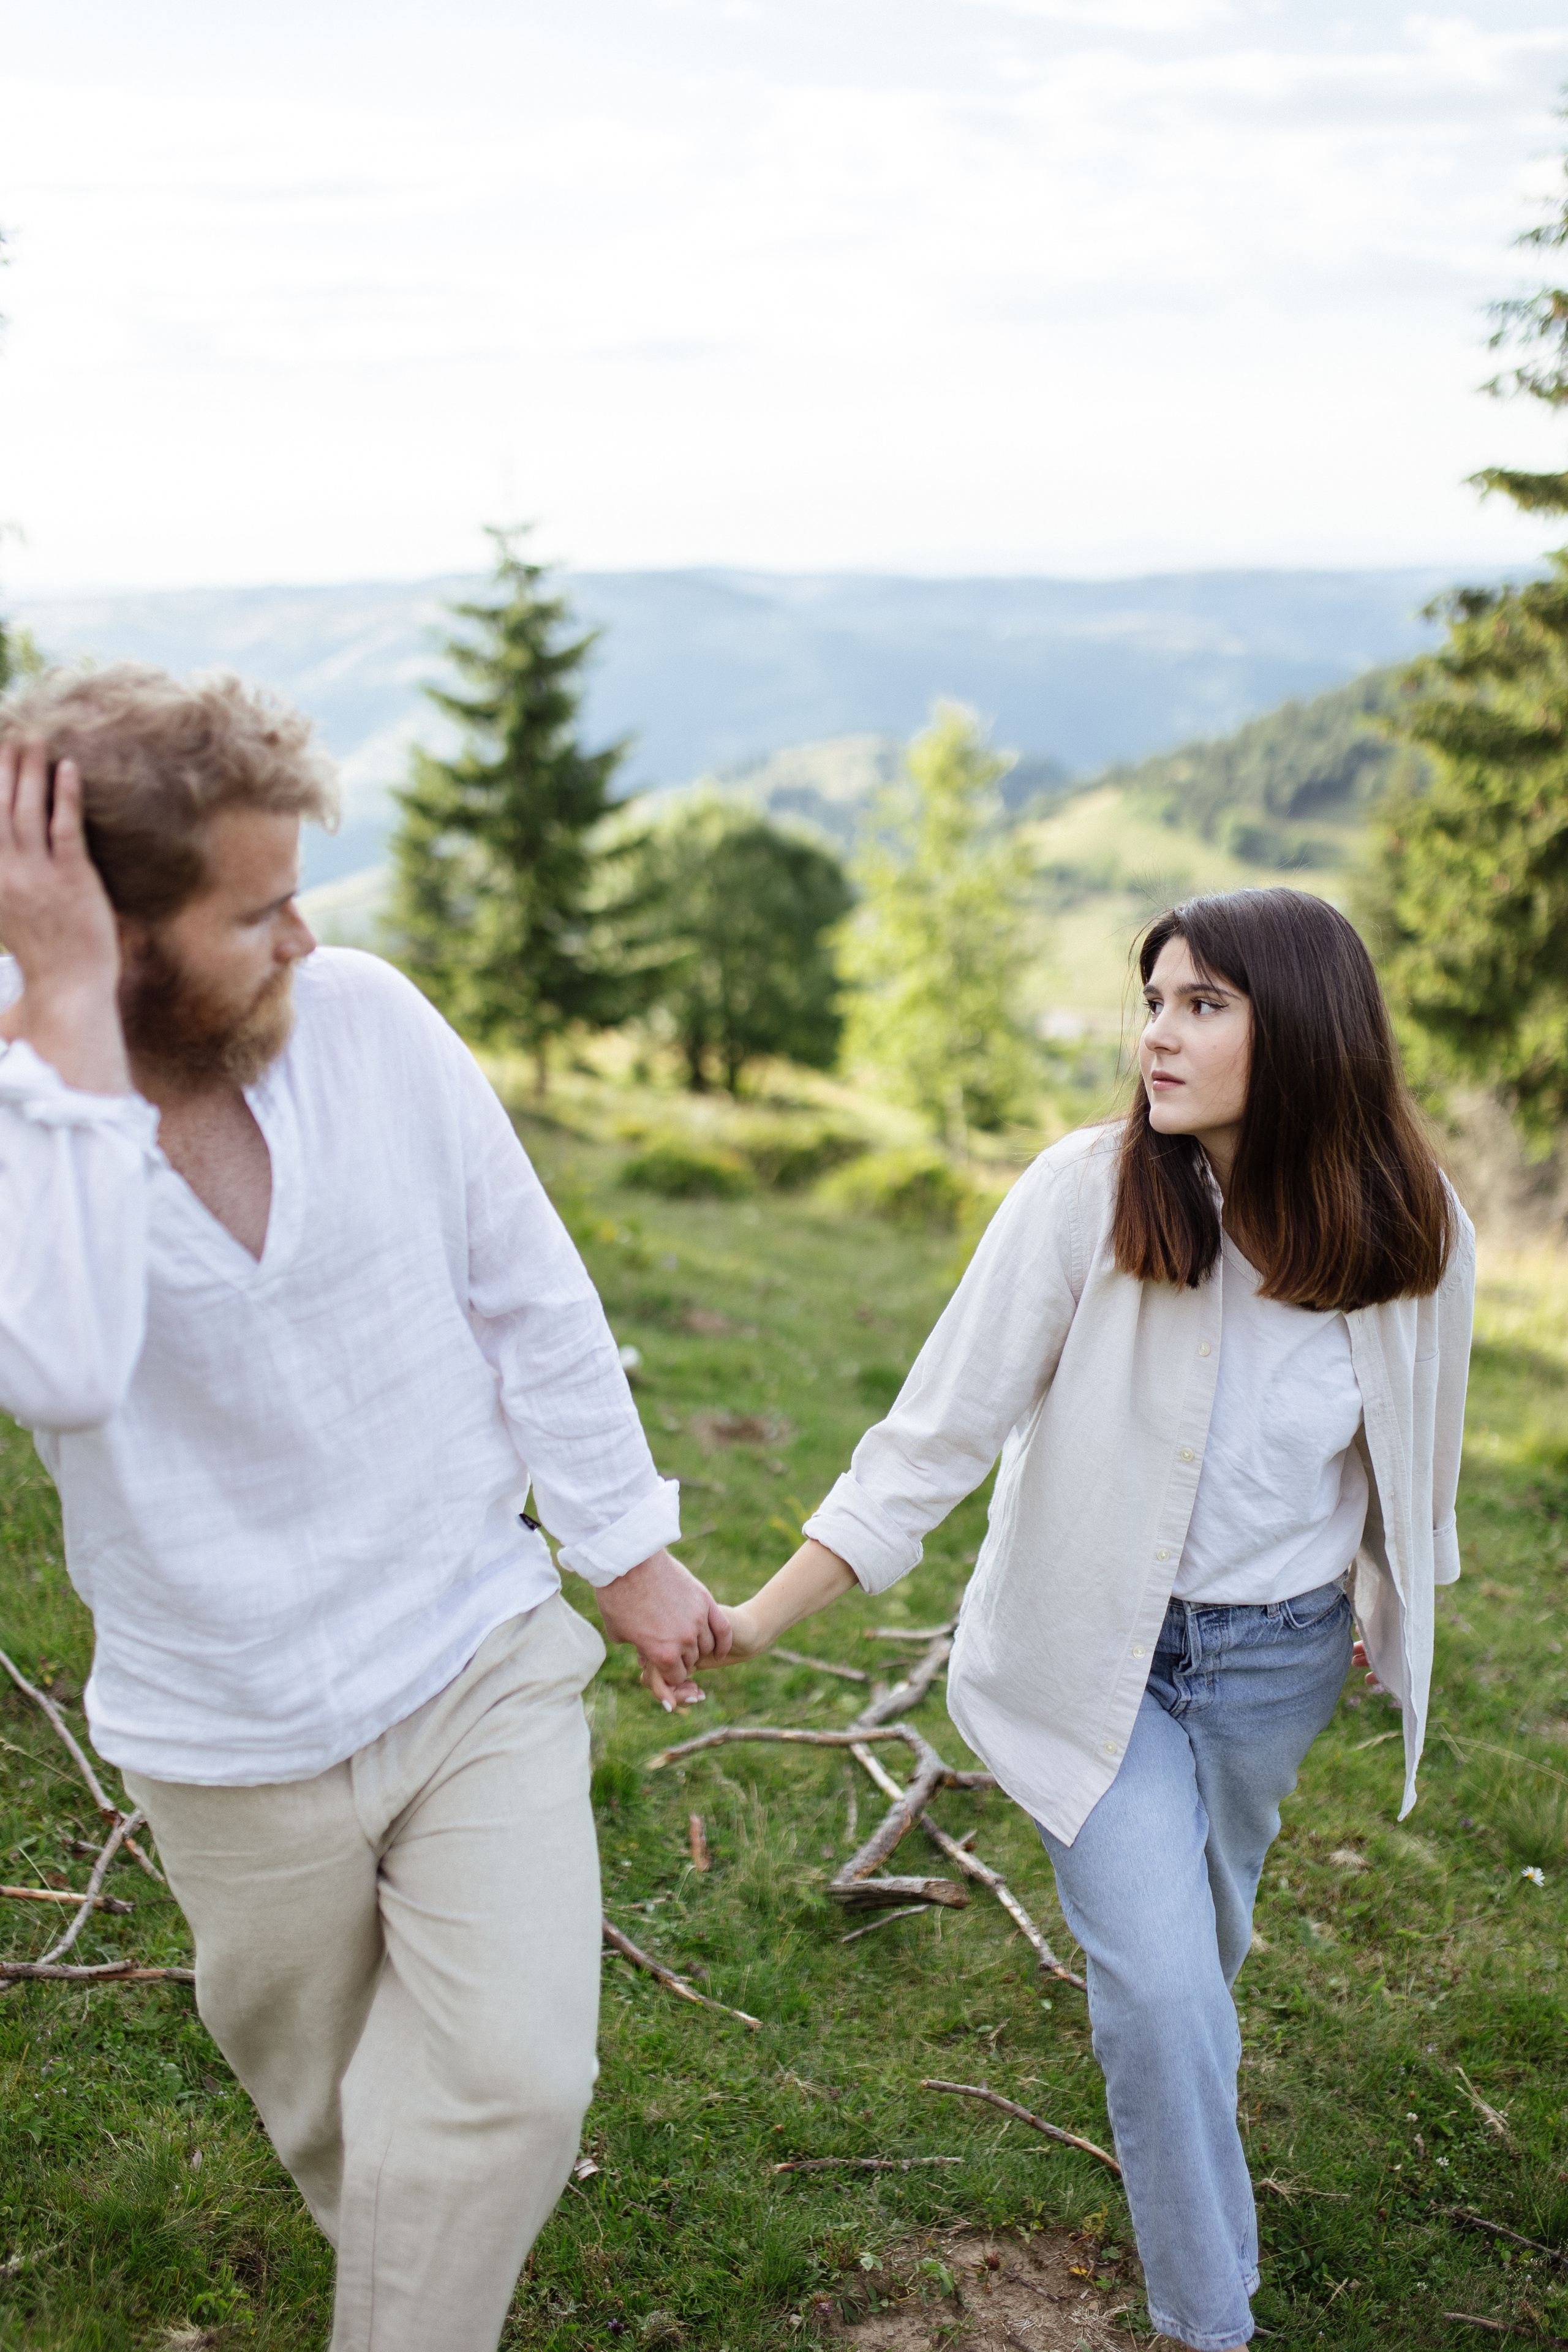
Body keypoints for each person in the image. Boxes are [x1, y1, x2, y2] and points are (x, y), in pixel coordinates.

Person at [0, 665, 729, 2352]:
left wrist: (622, 1547)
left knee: (515, 2084)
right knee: (344, 2128)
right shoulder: (33, 1124)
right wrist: (67, 1028)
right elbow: (63, 1360)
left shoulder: (378, 1025)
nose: (305, 942)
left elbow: (529, 1293)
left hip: (470, 1647)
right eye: (259, 913)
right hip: (227, 1733)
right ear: (114, 942)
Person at [715, 888, 1473, 2352]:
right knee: (1155, 1978)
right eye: (1153, 1002)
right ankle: (1212, 2320)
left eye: (1201, 1006)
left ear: (1302, 1030)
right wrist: (760, 1616)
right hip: (1090, 1659)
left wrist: (1391, 1599)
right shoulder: (1083, 1193)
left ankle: (1180, 2082)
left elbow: (1416, 1447)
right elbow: (927, 1440)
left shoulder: (1410, 1221)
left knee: (1199, 1955)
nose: (1155, 1037)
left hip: (1279, 1665)